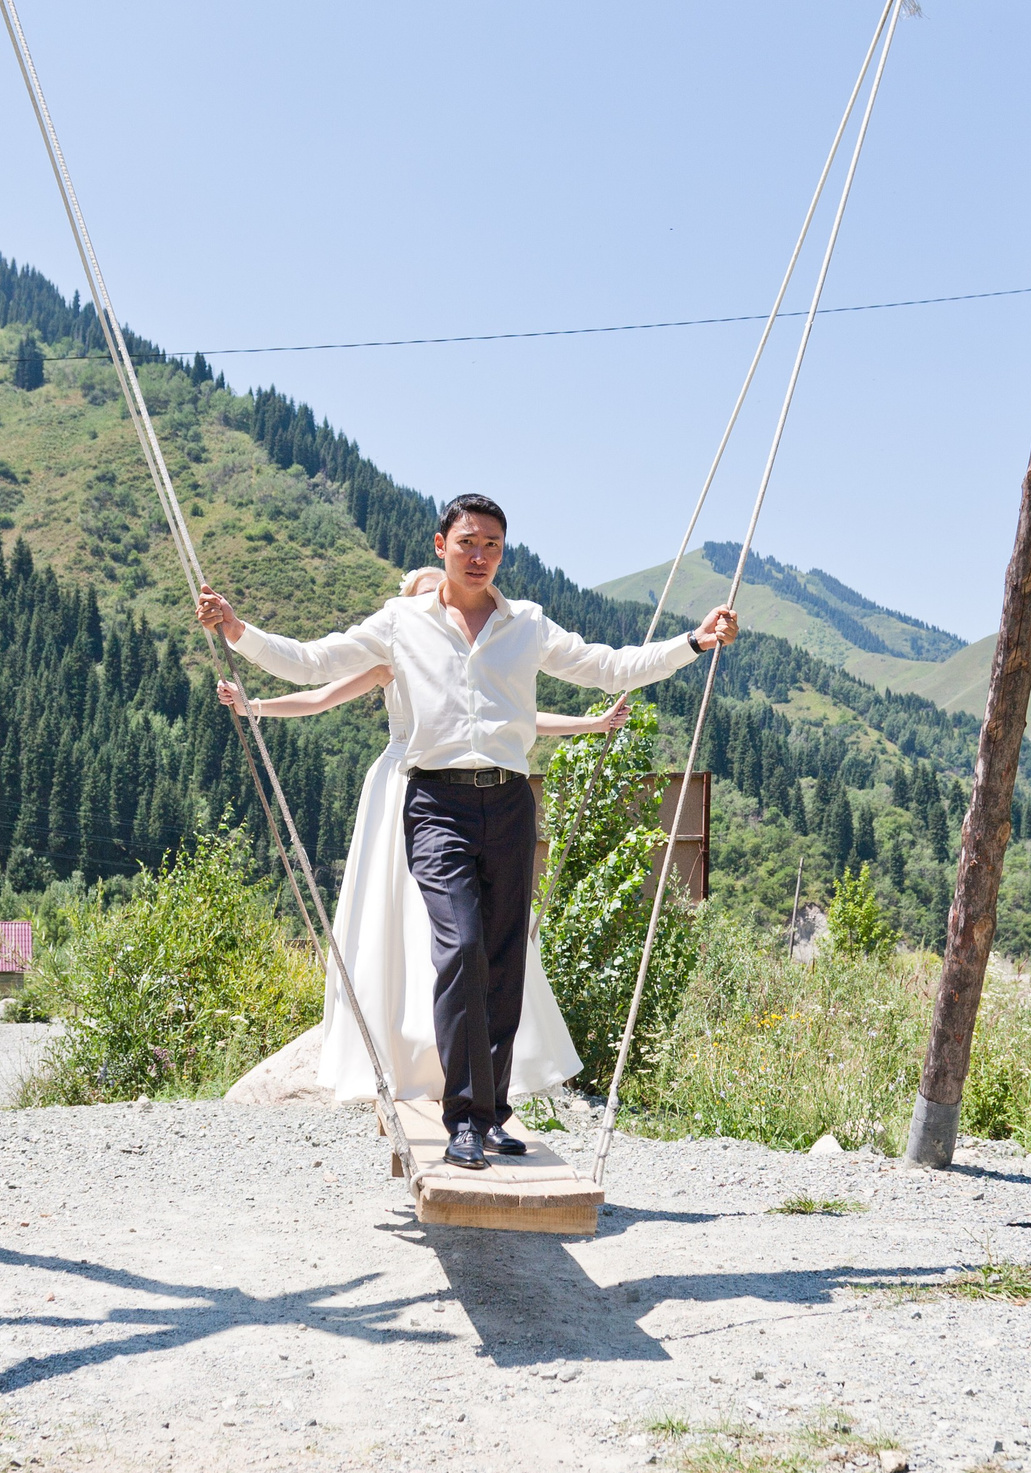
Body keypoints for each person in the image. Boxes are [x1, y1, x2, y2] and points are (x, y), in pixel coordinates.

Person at [197, 493, 737, 1169]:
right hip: (435, 802)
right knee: (461, 949)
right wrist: (237, 628)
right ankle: (462, 1119)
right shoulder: (400, 623)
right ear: (439, 545)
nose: (480, 557)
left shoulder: (528, 624)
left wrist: (694, 642)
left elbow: (608, 666)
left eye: (493, 546)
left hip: (510, 802)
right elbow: (312, 664)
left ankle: (491, 1109)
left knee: (505, 961)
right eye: (468, 543)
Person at [216, 566, 630, 1115]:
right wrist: (255, 706)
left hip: (465, 792)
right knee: (409, 922)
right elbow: (317, 693)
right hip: (405, 788)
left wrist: (589, 723)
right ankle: (409, 1051)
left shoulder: (480, 646)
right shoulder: (393, 653)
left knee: (460, 931)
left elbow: (517, 719)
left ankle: (462, 1066)